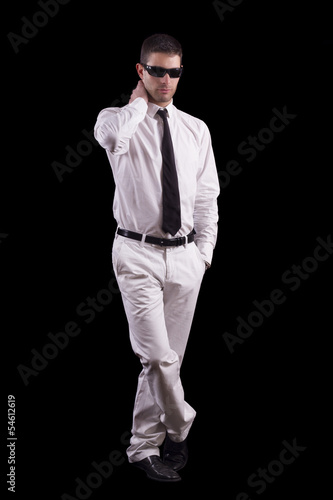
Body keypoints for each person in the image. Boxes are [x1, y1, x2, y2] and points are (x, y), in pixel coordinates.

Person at [94, 33, 219, 482]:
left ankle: (144, 447)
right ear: (141, 71)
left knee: (163, 362)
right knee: (158, 355)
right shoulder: (117, 120)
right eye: (157, 71)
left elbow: (207, 198)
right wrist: (136, 105)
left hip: (185, 259)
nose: (167, 80)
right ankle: (181, 426)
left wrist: (203, 254)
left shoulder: (195, 129)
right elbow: (110, 137)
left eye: (175, 72)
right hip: (137, 253)